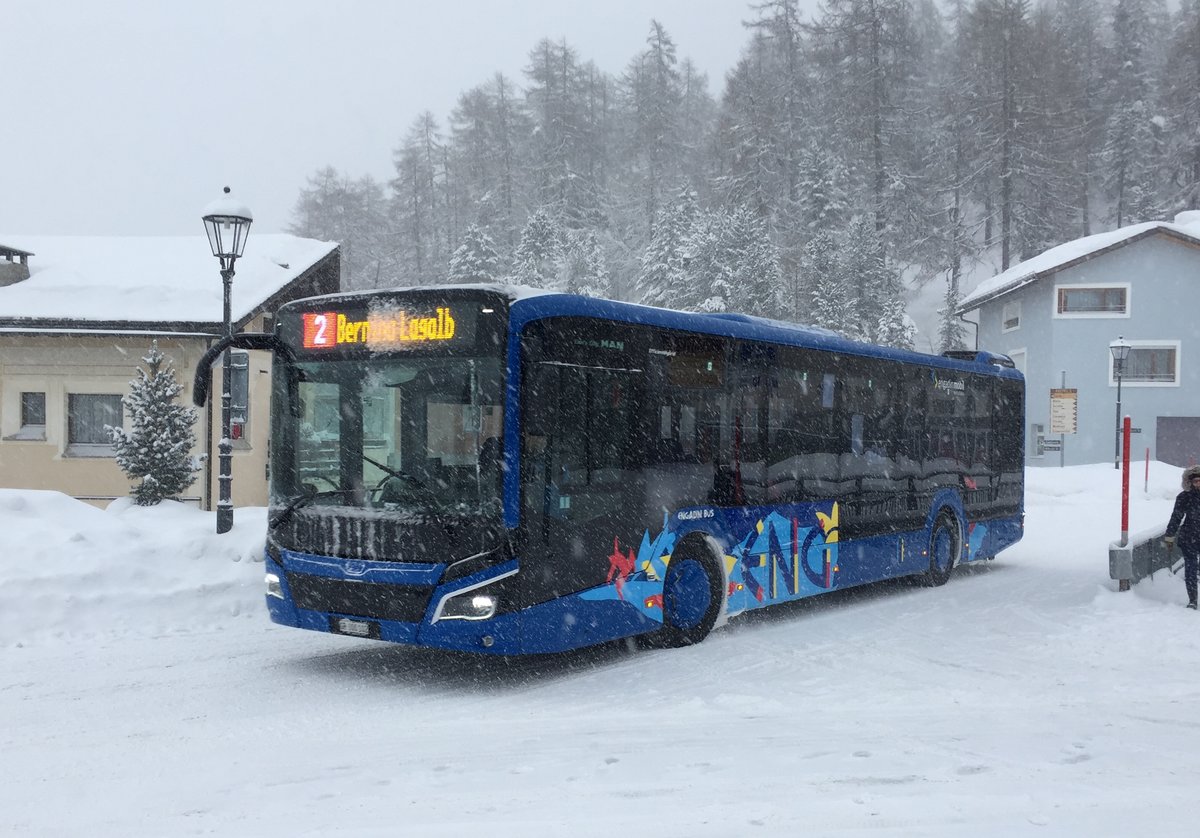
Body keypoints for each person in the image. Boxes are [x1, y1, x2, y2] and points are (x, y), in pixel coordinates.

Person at [1165, 465, 1200, 609]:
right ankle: (1192, 599)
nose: (1198, 483)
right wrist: (1169, 536)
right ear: (1190, 482)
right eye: (1195, 481)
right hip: (1189, 537)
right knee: (1190, 569)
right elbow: (1176, 517)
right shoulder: (1184, 497)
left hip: (1191, 536)